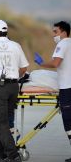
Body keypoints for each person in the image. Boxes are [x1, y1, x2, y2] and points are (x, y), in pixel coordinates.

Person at [0, 20, 29, 162]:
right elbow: (24, 68)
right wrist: (14, 76)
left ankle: (13, 155)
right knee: (6, 121)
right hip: (13, 87)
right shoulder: (16, 46)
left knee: (0, 122)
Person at [34, 21, 71, 162]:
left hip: (67, 88)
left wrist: (41, 63)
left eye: (55, 32)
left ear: (64, 32)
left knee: (68, 122)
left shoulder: (62, 44)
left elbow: (56, 63)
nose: (53, 35)